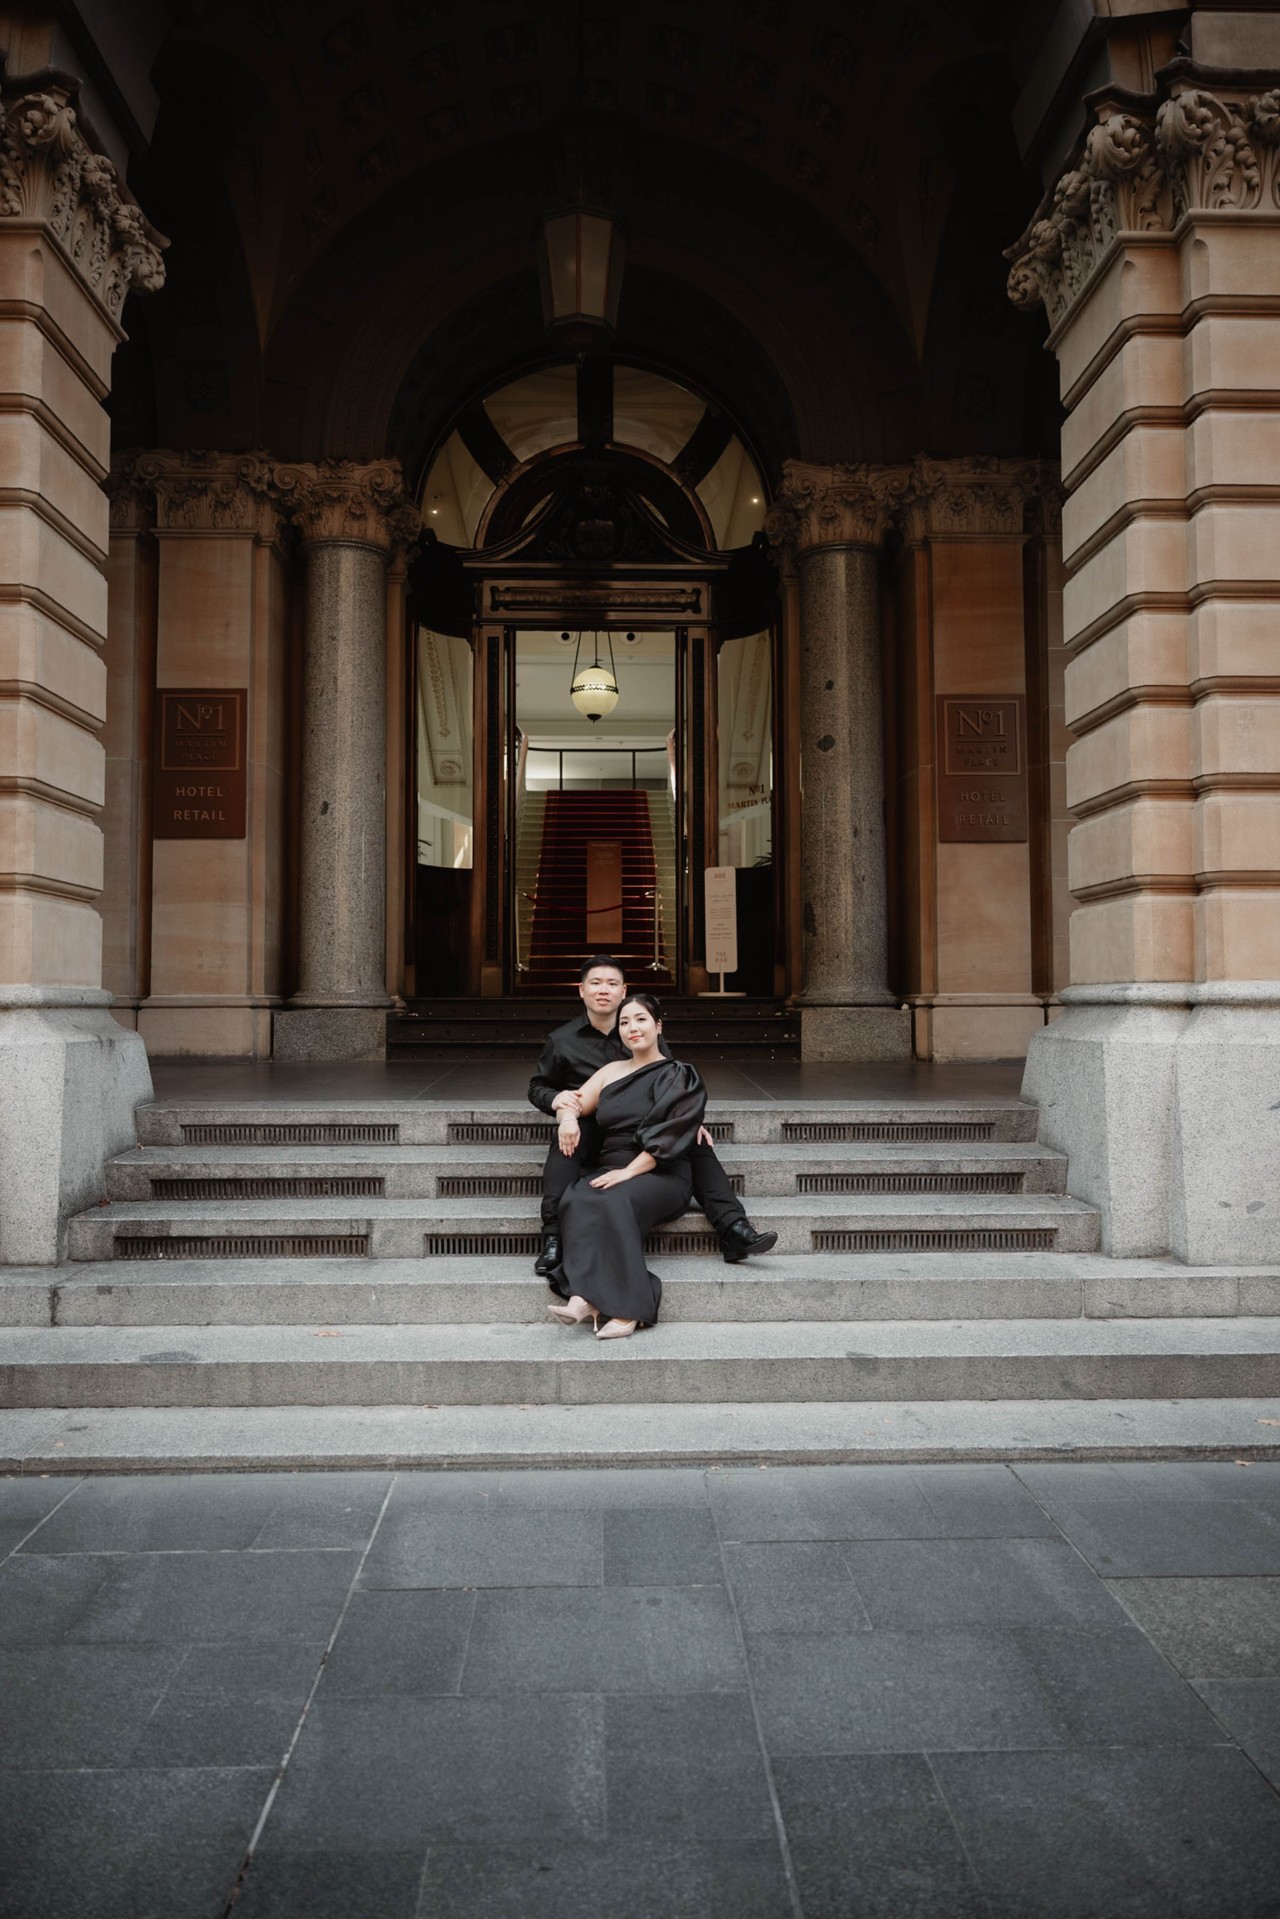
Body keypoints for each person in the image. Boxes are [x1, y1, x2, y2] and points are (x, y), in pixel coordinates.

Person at [527, 954, 778, 1276]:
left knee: (693, 1139)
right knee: (565, 1143)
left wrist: (689, 1119)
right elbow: (539, 1087)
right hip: (592, 1121)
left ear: (623, 991)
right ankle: (553, 1237)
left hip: (645, 1123)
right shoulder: (561, 1040)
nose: (603, 990)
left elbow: (672, 1082)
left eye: (612, 984)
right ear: (581, 989)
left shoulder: (641, 1030)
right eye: (596, 983)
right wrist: (560, 1106)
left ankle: (733, 1227)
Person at [547, 992, 705, 1339]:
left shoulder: (680, 1074)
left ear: (658, 1026)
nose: (632, 1027)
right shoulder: (610, 1072)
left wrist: (628, 1172)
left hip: (660, 1172)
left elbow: (671, 1137)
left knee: (615, 1199)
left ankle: (629, 1310)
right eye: (624, 1022)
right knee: (577, 1196)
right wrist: (568, 1119)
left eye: (640, 1019)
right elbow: (572, 1102)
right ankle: (583, 1297)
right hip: (614, 1168)